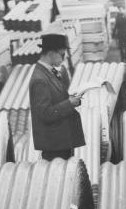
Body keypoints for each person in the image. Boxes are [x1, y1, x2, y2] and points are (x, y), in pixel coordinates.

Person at [29, 33, 85, 161]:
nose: (64, 59)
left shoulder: (49, 72)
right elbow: (46, 114)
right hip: (54, 147)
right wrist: (70, 103)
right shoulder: (39, 79)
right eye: (62, 54)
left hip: (61, 142)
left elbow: (56, 99)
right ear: (50, 53)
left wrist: (71, 99)